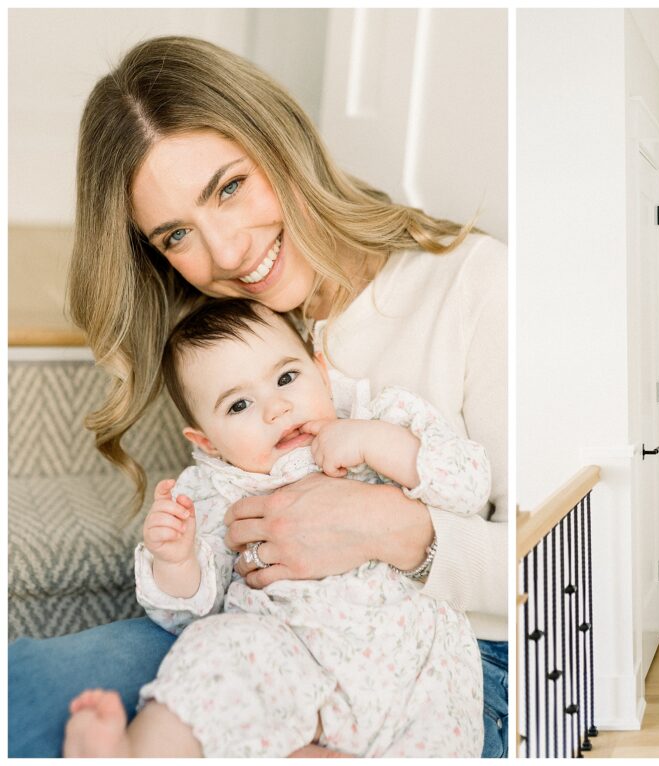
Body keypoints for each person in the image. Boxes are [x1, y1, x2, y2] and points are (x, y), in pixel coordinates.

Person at [8, 35, 507, 757]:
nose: (229, 255)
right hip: (265, 638)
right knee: (26, 693)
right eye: (178, 234)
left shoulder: (472, 286)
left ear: (281, 139)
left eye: (229, 187)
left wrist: (395, 530)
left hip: (440, 660)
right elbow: (212, 554)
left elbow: (549, 564)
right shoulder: (222, 331)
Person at [64, 298, 488, 757]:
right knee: (213, 655)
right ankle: (137, 753)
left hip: (411, 664)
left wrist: (376, 442)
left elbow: (468, 483)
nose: (276, 408)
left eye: (287, 378)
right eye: (239, 404)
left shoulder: (385, 417)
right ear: (207, 441)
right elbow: (187, 614)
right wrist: (176, 559)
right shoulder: (217, 487)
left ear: (321, 370)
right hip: (285, 662)